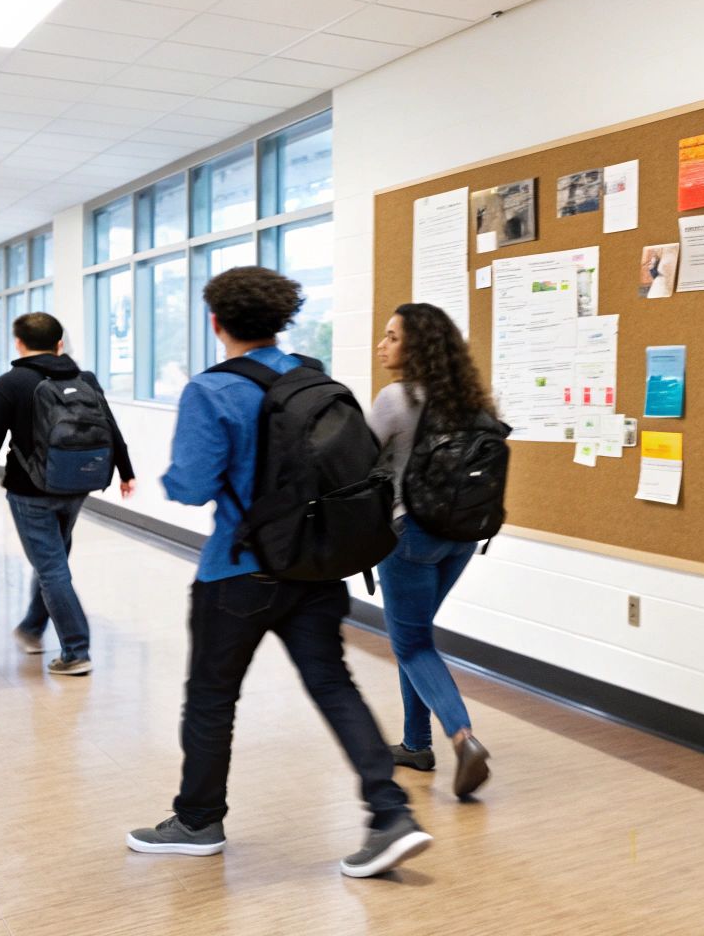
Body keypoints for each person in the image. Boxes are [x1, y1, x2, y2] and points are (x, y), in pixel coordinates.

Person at [127, 266, 430, 878]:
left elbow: (190, 486)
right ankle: (390, 812)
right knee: (333, 685)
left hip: (237, 573)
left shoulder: (211, 391)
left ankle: (198, 819)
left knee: (212, 696)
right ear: (282, 321)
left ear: (217, 323)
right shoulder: (316, 382)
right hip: (316, 567)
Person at [371, 303, 493, 799]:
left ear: (415, 346)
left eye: (392, 336)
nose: (383, 344)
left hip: (409, 536)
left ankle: (462, 738)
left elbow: (356, 457)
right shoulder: (472, 402)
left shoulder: (395, 398)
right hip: (462, 537)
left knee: (413, 642)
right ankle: (416, 744)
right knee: (415, 636)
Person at [0, 312, 135, 677]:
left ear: (19, 343)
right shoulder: (84, 378)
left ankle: (76, 651)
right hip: (78, 486)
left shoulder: (11, 382)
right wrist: (126, 471)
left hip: (30, 490)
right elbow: (109, 425)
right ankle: (31, 627)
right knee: (52, 561)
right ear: (60, 344)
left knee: (51, 567)